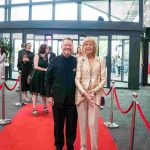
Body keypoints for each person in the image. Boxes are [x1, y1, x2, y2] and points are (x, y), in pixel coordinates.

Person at [45, 38, 77, 150]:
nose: (67, 47)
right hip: (57, 99)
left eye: (70, 45)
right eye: (65, 45)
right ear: (61, 46)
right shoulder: (54, 60)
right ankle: (58, 146)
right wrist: (49, 95)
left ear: (72, 47)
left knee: (71, 125)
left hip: (73, 100)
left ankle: (70, 145)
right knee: (58, 125)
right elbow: (48, 78)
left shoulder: (77, 61)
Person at [75, 37, 106, 150]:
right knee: (82, 124)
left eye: (90, 44)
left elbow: (103, 79)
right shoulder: (80, 60)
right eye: (86, 44)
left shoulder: (100, 60)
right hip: (81, 95)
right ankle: (83, 147)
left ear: (94, 47)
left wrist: (93, 91)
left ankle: (94, 148)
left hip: (95, 96)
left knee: (92, 125)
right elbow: (77, 79)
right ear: (83, 47)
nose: (88, 46)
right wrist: (85, 93)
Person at [30, 44, 48, 116]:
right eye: (47, 48)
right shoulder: (37, 55)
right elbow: (35, 66)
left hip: (44, 76)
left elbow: (48, 65)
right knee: (35, 92)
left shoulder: (46, 57)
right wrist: (45, 69)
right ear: (44, 48)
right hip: (37, 75)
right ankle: (34, 108)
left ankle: (45, 106)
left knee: (44, 92)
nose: (48, 49)